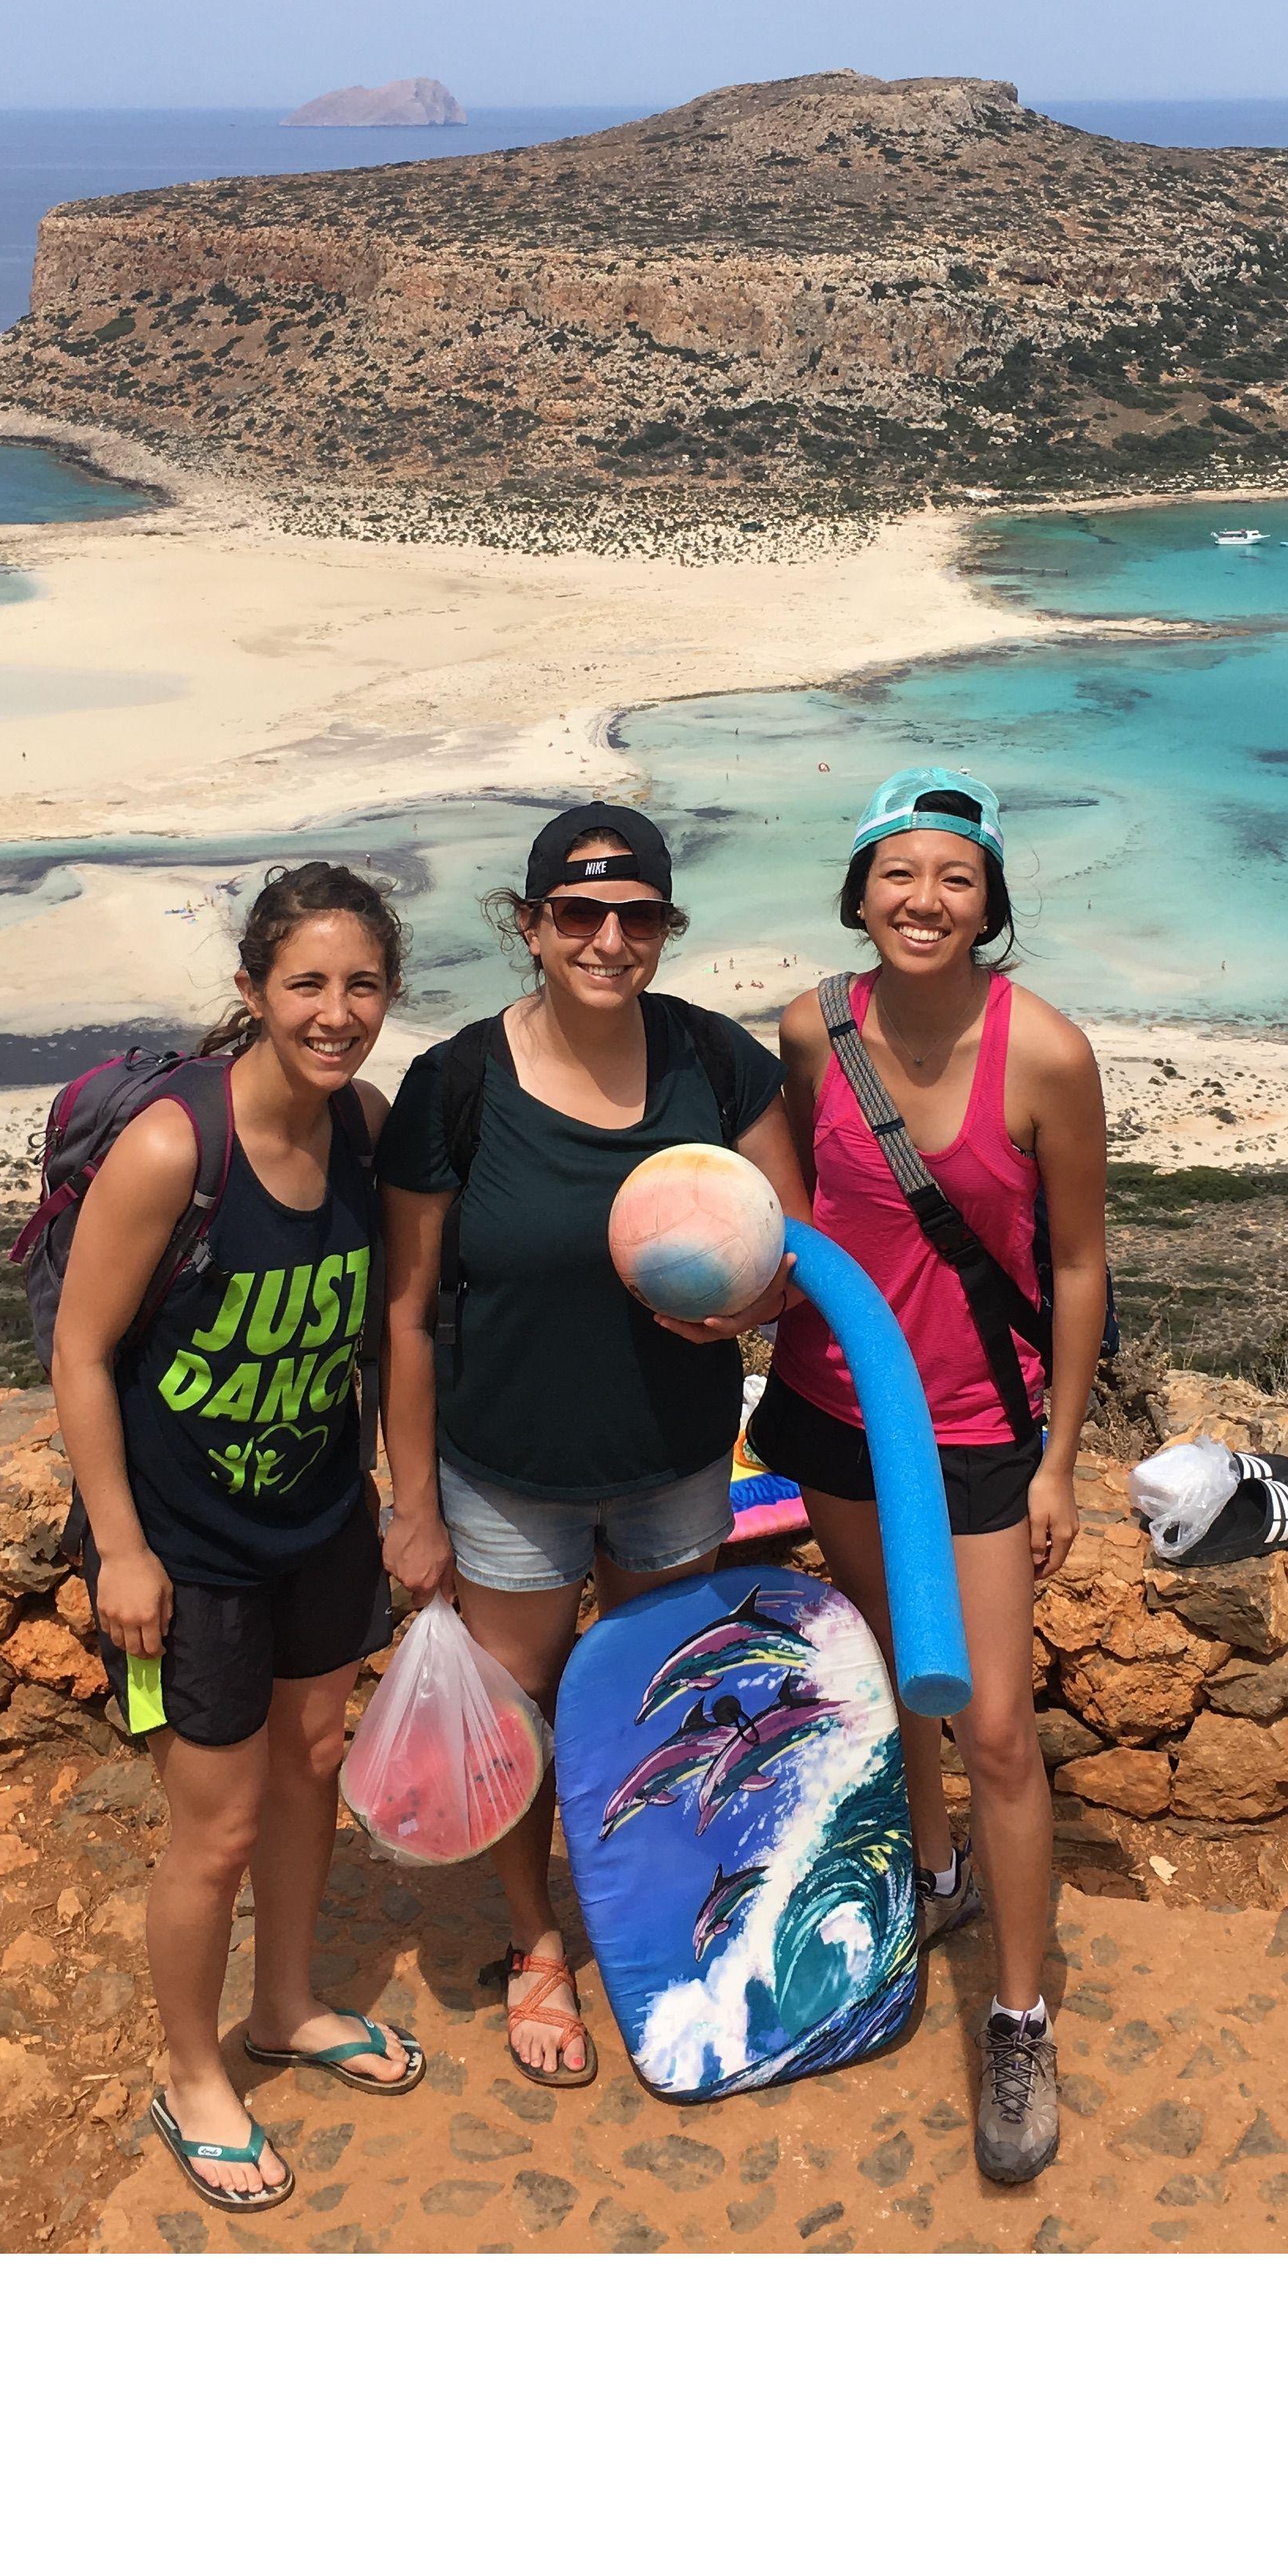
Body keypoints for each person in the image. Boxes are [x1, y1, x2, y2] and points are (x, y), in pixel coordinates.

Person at [377, 803, 807, 2085]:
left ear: (667, 928)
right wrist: (413, 1502)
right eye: (578, 913)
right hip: (505, 1474)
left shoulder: (715, 1062)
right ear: (530, 925)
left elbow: (788, 1255)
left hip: (675, 1462)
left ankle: (659, 1923)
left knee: (655, 1708)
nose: (608, 940)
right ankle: (536, 1938)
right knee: (517, 1717)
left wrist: (745, 1309)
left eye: (638, 917)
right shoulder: (455, 1084)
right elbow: (405, 1310)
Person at [50, 862, 419, 2217]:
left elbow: (389, 1330)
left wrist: (404, 1498)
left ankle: (286, 2006)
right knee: (215, 1829)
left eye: (363, 985)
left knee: (312, 1767)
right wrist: (121, 1548)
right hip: (187, 1553)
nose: (336, 1012)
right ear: (254, 990)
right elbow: (82, 1353)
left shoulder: (364, 1128)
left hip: (320, 1520)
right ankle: (193, 2073)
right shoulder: (173, 1149)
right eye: (307, 983)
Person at [756, 766, 1107, 2184]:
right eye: (898, 874)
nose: (926, 900)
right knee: (899, 1665)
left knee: (1000, 1726)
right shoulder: (811, 1029)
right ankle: (936, 1875)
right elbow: (792, 1209)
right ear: (860, 895)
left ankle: (1018, 2019)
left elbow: (1077, 1264)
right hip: (834, 1407)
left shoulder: (1048, 1054)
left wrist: (1061, 1458)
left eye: (956, 878)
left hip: (973, 1430)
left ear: (990, 903)